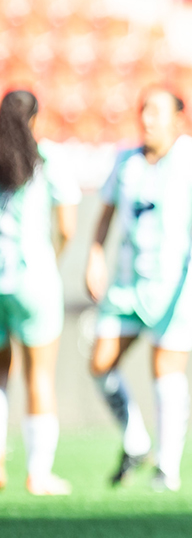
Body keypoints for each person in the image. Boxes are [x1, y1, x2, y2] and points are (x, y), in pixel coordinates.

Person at [85, 87, 192, 492]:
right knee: (100, 363)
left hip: (176, 284)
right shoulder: (125, 161)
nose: (148, 119)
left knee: (165, 370)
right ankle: (135, 441)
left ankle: (168, 467)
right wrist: (95, 255)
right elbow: (106, 215)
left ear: (177, 119)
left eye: (157, 112)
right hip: (128, 283)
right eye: (144, 110)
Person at [0, 90, 79, 495]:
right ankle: (38, 473)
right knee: (39, 376)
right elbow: (66, 226)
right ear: (35, 119)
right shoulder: (48, 158)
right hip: (35, 279)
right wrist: (54, 256)